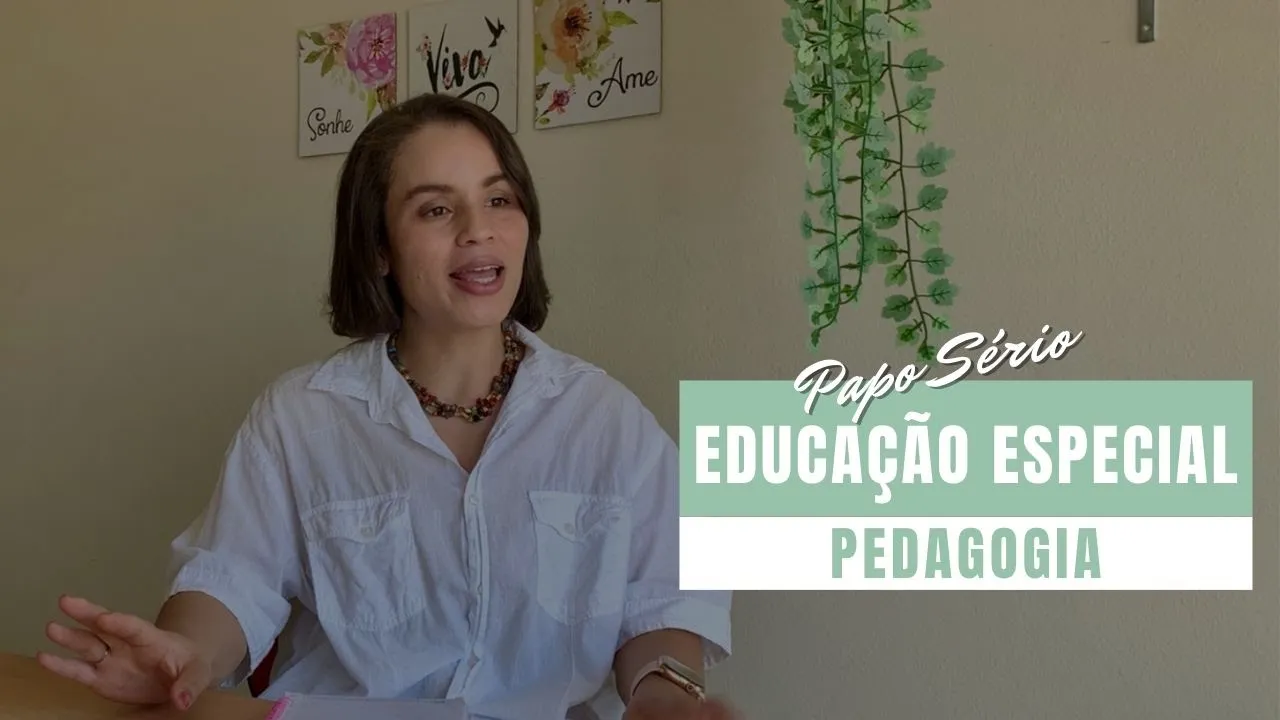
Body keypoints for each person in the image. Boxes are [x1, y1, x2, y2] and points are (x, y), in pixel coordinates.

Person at [37, 92, 736, 720]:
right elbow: (231, 580)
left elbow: (663, 604)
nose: (478, 229)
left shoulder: (606, 419)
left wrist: (664, 699)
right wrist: (185, 655)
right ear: (378, 248)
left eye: (499, 200)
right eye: (436, 209)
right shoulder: (299, 418)